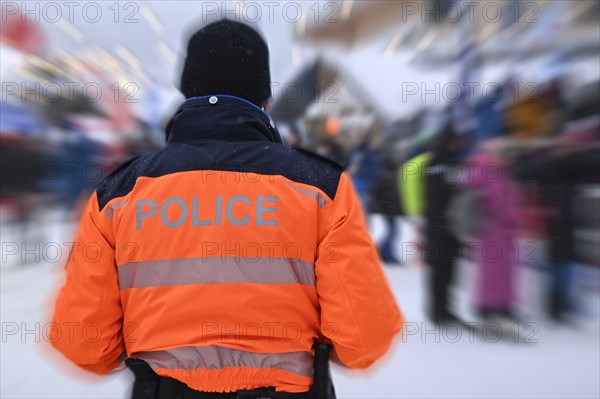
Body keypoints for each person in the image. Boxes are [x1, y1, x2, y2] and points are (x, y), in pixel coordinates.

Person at [49, 19, 403, 398]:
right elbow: (366, 341)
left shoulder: (118, 194)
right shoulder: (322, 188)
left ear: (187, 92)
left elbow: (82, 345)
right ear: (264, 99)